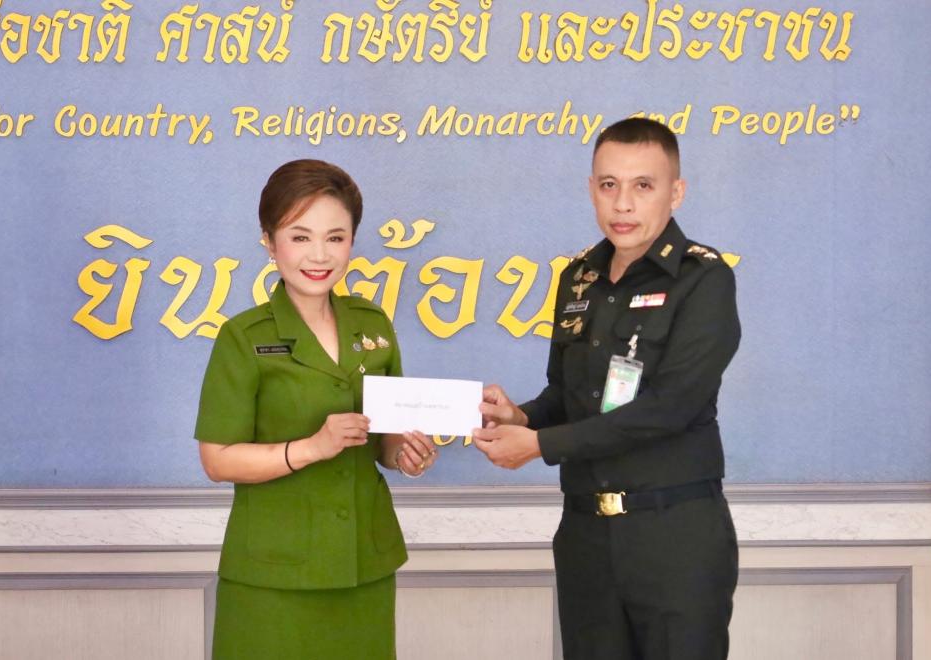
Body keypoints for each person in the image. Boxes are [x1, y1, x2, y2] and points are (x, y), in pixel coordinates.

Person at [474, 118, 741, 660]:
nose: (623, 203)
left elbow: (670, 408)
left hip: (674, 534)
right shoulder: (578, 278)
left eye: (643, 185)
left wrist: (539, 445)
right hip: (585, 536)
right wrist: (520, 418)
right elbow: (565, 395)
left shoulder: (703, 278)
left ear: (676, 192)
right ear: (591, 188)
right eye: (608, 184)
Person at [195, 159, 436, 659]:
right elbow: (217, 460)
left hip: (363, 562)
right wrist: (311, 447)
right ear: (269, 242)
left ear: (352, 241)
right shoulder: (243, 338)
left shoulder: (373, 325)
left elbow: (384, 441)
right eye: (300, 237)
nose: (320, 255)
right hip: (273, 572)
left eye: (336, 237)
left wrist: (406, 455)